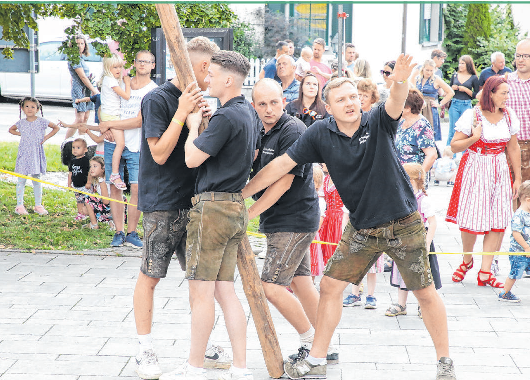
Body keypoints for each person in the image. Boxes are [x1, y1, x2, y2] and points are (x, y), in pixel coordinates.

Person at [242, 54, 457, 380]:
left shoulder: (377, 119)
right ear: (328, 105)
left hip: (404, 221)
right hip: (362, 227)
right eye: (341, 99)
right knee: (329, 286)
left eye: (354, 97)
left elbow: (396, 100)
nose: (350, 103)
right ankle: (317, 358)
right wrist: (242, 196)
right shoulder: (319, 133)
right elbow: (280, 166)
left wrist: (399, 81)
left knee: (425, 292)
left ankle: (445, 363)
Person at [134, 37, 231, 380]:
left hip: (196, 203)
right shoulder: (157, 99)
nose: (215, 77)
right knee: (151, 274)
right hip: (162, 203)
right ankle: (144, 349)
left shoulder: (204, 101)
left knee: (200, 280)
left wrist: (205, 121)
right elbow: (159, 153)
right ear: (203, 67)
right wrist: (182, 113)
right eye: (214, 70)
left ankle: (203, 345)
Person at [163, 50, 259, 380]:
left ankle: (194, 369)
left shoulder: (226, 117)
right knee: (224, 291)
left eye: (214, 74)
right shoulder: (246, 112)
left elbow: (191, 158)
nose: (208, 79)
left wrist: (192, 126)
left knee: (201, 293)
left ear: (229, 79)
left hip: (213, 209)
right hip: (234, 207)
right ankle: (241, 368)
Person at [249, 78, 338, 364]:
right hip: (282, 218)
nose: (268, 109)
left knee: (271, 286)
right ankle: (327, 345)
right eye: (262, 104)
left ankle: (310, 341)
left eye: (274, 102)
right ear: (254, 106)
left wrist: (246, 214)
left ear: (283, 100)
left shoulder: (293, 129)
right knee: (300, 282)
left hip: (294, 219)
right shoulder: (260, 130)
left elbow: (283, 183)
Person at [446, 76, 522, 289]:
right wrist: (474, 137)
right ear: (491, 93)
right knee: (471, 219)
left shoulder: (508, 116)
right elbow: (454, 146)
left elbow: (513, 148)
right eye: (504, 93)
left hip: (499, 167)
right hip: (476, 166)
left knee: (498, 220)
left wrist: (518, 177)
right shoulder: (473, 115)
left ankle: (486, 271)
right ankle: (467, 260)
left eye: (508, 92)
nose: (507, 97)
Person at [99, 50, 158, 248]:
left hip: (136, 144)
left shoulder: (153, 90)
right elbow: (103, 103)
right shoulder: (119, 82)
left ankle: (132, 231)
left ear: (153, 65)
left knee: (136, 188)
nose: (142, 64)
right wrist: (103, 122)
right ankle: (118, 231)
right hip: (112, 141)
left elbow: (140, 121)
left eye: (147, 61)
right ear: (134, 63)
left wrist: (111, 126)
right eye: (139, 61)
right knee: (114, 186)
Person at [386, 163, 442, 319]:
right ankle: (401, 304)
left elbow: (432, 222)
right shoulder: (400, 197)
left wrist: (426, 243)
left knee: (421, 276)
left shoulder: (423, 200)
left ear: (416, 180)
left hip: (419, 241)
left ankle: (422, 305)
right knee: (402, 272)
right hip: (403, 241)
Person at [8, 97, 59, 216]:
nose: (29, 109)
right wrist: (21, 133)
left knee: (36, 179)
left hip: (36, 154)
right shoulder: (21, 123)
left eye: (32, 107)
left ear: (37, 109)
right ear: (22, 108)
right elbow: (11, 130)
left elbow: (56, 127)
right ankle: (19, 205)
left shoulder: (42, 121)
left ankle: (38, 205)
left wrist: (46, 137)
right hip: (24, 154)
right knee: (21, 180)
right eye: (27, 106)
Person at [99, 53, 131, 190]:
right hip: (112, 117)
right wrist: (128, 83)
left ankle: (114, 173)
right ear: (108, 68)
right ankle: (115, 173)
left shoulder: (107, 79)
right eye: (115, 67)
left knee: (118, 144)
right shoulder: (111, 81)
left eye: (120, 67)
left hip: (109, 115)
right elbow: (126, 96)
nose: (118, 70)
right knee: (121, 144)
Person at [498, 181, 530, 302]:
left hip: (527, 251)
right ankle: (505, 293)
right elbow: (516, 233)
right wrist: (526, 247)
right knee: (515, 273)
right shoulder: (519, 215)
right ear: (528, 200)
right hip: (519, 252)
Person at [394, 89, 437, 173]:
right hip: (399, 175)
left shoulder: (422, 125)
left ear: (408, 108)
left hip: (413, 178)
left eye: (399, 104)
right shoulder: (402, 122)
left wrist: (419, 177)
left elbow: (432, 155)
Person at [65, 35, 99, 140]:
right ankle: (66, 141)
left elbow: (72, 77)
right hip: (80, 90)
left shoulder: (80, 58)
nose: (80, 46)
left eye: (82, 43)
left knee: (85, 117)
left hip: (86, 90)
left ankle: (82, 141)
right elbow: (83, 77)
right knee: (79, 119)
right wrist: (94, 90)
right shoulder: (74, 58)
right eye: (77, 44)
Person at [506, 38, 530, 184]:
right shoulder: (504, 82)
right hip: (511, 145)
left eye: (526, 56)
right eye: (518, 55)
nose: (521, 60)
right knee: (513, 190)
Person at [413, 59, 454, 141]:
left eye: (431, 70)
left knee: (429, 134)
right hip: (418, 107)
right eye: (427, 70)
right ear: (423, 68)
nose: (428, 72)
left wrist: (440, 104)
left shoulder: (436, 79)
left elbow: (450, 92)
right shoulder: (417, 78)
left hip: (430, 108)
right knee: (417, 133)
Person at [447, 55, 480, 145]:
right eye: (459, 63)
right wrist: (452, 88)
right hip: (455, 103)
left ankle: (464, 154)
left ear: (468, 65)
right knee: (452, 130)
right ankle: (449, 153)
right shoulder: (454, 75)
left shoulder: (473, 77)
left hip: (466, 104)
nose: (460, 65)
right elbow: (448, 90)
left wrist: (465, 89)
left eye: (463, 63)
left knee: (466, 130)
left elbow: (476, 95)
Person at [84, 156, 112, 229]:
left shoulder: (102, 181)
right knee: (84, 209)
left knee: (88, 198)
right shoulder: (98, 180)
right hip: (112, 208)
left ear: (102, 169)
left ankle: (94, 224)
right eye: (91, 166)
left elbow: (106, 201)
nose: (92, 169)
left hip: (111, 208)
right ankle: (111, 222)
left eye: (95, 166)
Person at [68, 138, 92, 221]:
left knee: (87, 201)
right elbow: (70, 173)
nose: (75, 150)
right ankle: (80, 214)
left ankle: (89, 213)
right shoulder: (73, 161)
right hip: (76, 185)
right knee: (79, 201)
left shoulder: (86, 160)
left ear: (85, 149)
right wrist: (69, 183)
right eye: (73, 147)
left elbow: (90, 172)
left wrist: (89, 182)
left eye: (78, 148)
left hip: (84, 185)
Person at [310, 163, 326, 279]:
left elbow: (320, 218)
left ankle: (311, 281)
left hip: (312, 233)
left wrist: (315, 231)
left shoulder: (320, 200)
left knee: (313, 260)